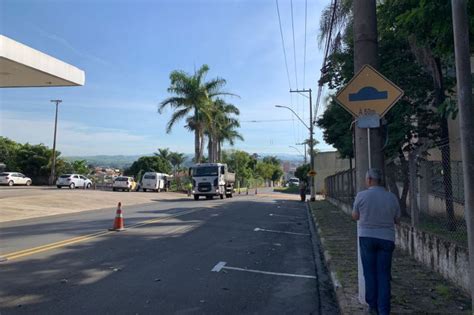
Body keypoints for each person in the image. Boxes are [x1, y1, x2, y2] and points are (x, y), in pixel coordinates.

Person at [352, 168, 400, 315]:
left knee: (370, 273)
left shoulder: (361, 195)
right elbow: (397, 220)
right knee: (384, 274)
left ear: (370, 180)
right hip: (386, 239)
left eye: (366, 180)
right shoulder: (391, 197)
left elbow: (355, 216)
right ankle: (384, 310)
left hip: (367, 237)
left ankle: (372, 306)